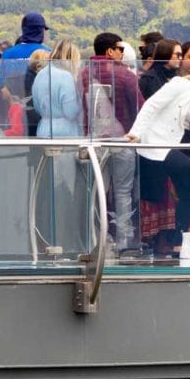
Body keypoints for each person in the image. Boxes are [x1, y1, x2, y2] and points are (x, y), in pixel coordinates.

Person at [127, 65, 190, 260]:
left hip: (172, 142)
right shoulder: (179, 85)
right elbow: (152, 105)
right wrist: (136, 131)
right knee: (187, 168)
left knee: (187, 192)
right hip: (155, 140)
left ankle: (186, 241)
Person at [81, 31, 143, 253]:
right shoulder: (125, 75)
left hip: (95, 140)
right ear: (110, 51)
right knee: (123, 191)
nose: (122, 53)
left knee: (97, 190)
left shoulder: (84, 74)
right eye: (120, 49)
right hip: (122, 138)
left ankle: (95, 237)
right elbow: (139, 107)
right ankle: (125, 240)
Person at [32, 40, 82, 137]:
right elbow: (71, 112)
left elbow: (36, 106)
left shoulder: (41, 74)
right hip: (65, 132)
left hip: (43, 128)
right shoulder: (66, 76)